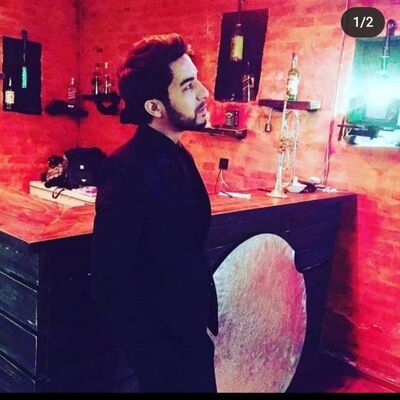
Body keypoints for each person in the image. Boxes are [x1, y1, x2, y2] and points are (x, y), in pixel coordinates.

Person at [90, 33, 218, 393]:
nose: (204, 93)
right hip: (162, 349)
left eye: (197, 81)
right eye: (188, 86)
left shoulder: (180, 154)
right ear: (155, 107)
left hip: (191, 332)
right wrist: (151, 355)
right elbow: (110, 279)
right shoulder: (125, 169)